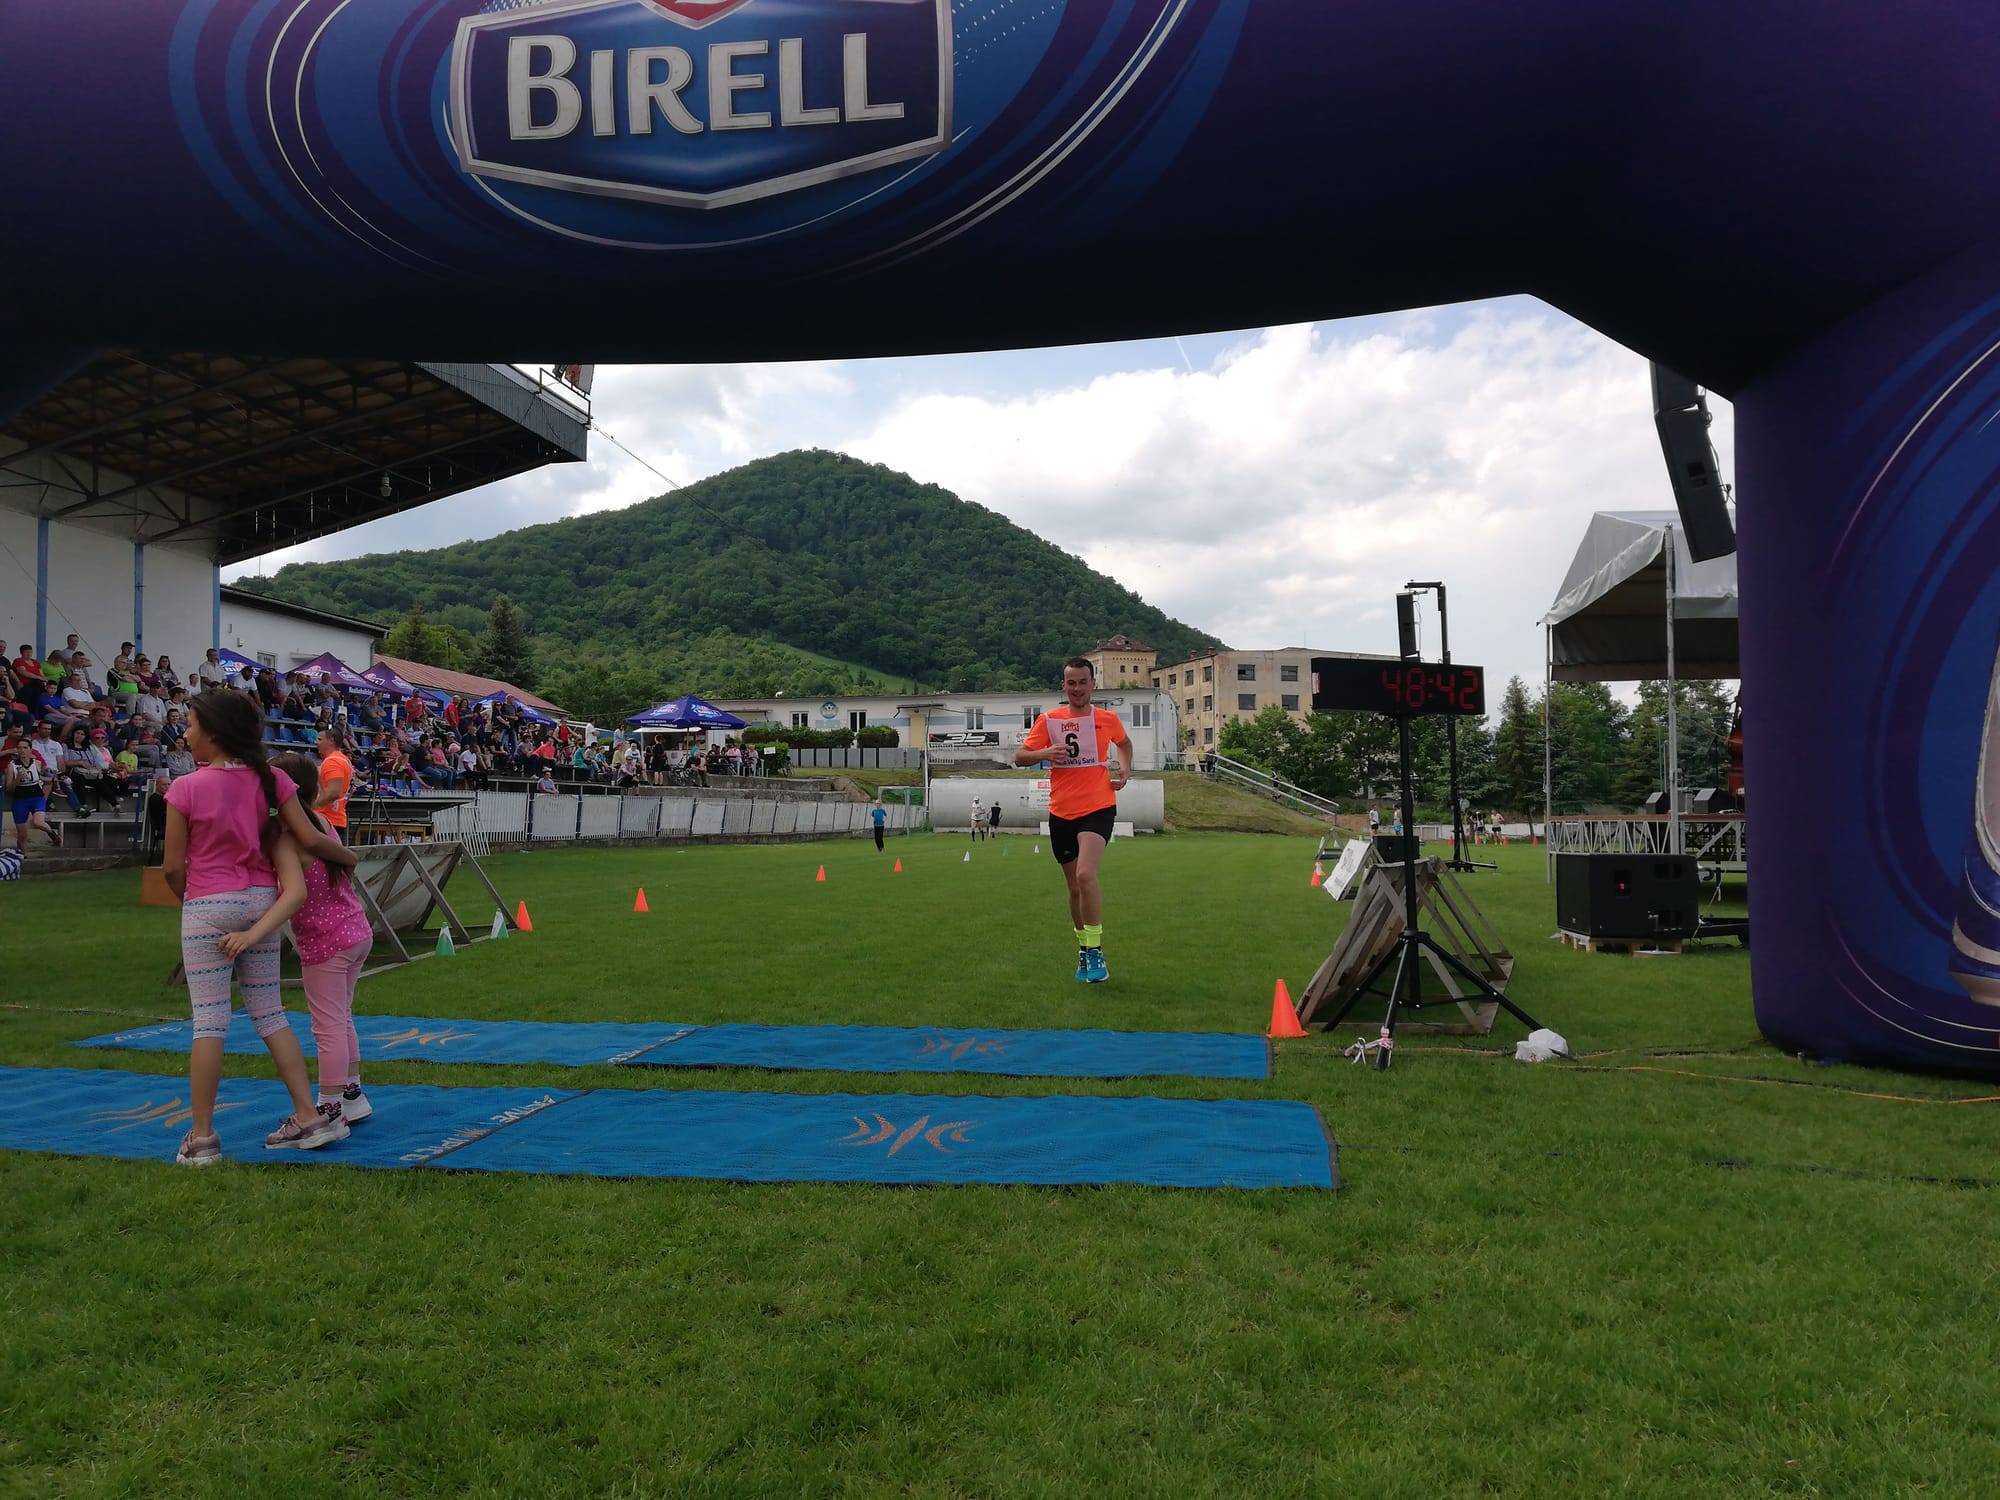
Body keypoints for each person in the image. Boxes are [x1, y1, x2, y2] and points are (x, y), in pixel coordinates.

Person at [161, 689, 358, 1163]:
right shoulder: (272, 780)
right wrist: (347, 857)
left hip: (207, 902)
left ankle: (202, 1137)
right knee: (270, 1014)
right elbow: (309, 834)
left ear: (212, 732)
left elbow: (171, 867)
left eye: (191, 724)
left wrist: (193, 902)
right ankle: (308, 1115)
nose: (186, 733)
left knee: (210, 1021)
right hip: (262, 902)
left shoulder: (185, 788)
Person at [272, 754, 375, 1133]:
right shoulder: (321, 823)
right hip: (354, 930)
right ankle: (351, 1094)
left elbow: (291, 893)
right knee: (340, 1017)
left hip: (326, 942)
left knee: (327, 1025)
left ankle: (329, 1108)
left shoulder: (291, 838)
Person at [1014, 657, 1132, 983]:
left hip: (1098, 806)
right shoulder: (1049, 720)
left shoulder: (1107, 719)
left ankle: (1095, 950)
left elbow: (1124, 744)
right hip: (1061, 812)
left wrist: (1124, 769)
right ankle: (1083, 949)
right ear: (1063, 685)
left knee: (1085, 874)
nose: (1077, 688)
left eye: (1083, 682)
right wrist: (1045, 753)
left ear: (1093, 684)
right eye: (1071, 683)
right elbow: (1019, 757)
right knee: (1074, 887)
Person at [2, 732, 62, 849]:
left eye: (25, 748)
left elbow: (43, 778)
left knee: (38, 822)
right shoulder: (11, 766)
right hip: (20, 800)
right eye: (19, 748)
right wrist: (18, 779)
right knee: (22, 835)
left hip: (36, 798)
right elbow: (9, 787)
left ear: (30, 750)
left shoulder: (37, 763)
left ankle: (52, 834)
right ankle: (22, 856)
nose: (22, 751)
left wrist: (51, 781)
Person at [316, 726, 355, 838]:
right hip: (335, 818)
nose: (315, 742)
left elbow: (333, 792)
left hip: (327, 820)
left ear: (331, 740)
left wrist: (311, 807)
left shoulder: (333, 761)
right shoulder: (343, 759)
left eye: (320, 739)